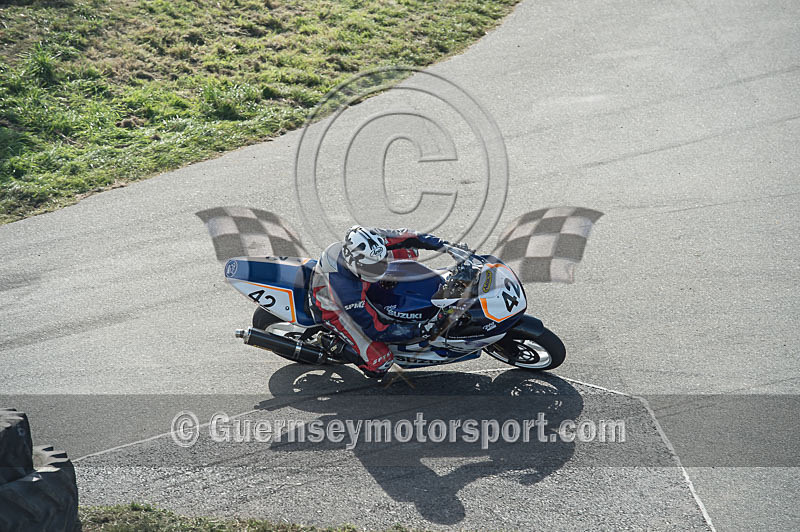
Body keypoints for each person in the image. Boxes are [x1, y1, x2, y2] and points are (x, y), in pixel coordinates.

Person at [310, 226, 460, 378]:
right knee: (380, 363)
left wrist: (447, 246)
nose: (380, 269)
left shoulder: (374, 242)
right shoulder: (347, 290)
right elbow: (375, 329)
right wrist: (421, 329)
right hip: (333, 309)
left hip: (360, 282)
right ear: (354, 263)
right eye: (373, 267)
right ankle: (329, 342)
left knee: (409, 251)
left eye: (381, 262)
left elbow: (412, 236)